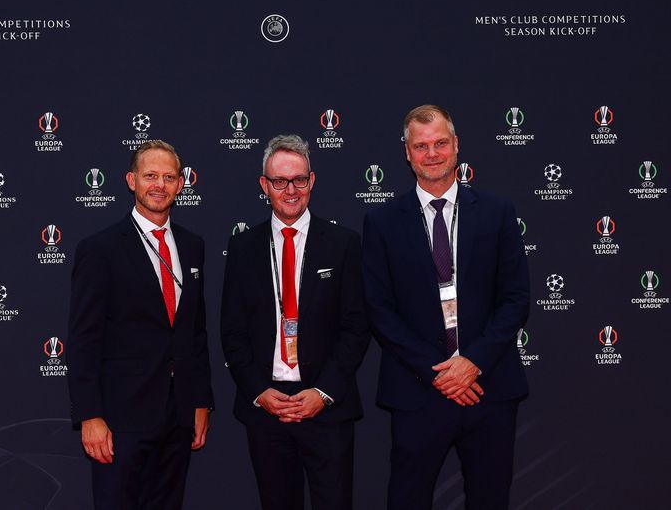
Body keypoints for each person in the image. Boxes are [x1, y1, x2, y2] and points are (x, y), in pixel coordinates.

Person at [362, 105, 530, 510]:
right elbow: (379, 309)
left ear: (456, 146)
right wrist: (438, 371)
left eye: (440, 143)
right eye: (421, 146)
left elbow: (515, 298)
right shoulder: (382, 222)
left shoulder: (497, 213)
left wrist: (473, 362)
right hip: (418, 391)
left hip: (488, 389)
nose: (432, 153)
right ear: (407, 153)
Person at [221, 134, 370, 510]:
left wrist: (323, 392)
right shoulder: (242, 248)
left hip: (326, 408)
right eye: (280, 181)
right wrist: (258, 391)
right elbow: (232, 331)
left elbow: (356, 327)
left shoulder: (343, 244)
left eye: (299, 180)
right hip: (267, 409)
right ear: (264, 185)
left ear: (312, 180)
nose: (290, 190)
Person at [67, 140, 214, 510]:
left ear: (181, 184)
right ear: (131, 181)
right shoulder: (100, 249)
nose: (159, 185)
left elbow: (195, 332)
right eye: (150, 176)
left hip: (178, 416)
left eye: (169, 177)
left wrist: (201, 402)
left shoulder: (193, 246)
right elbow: (84, 340)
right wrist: (90, 415)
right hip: (121, 418)